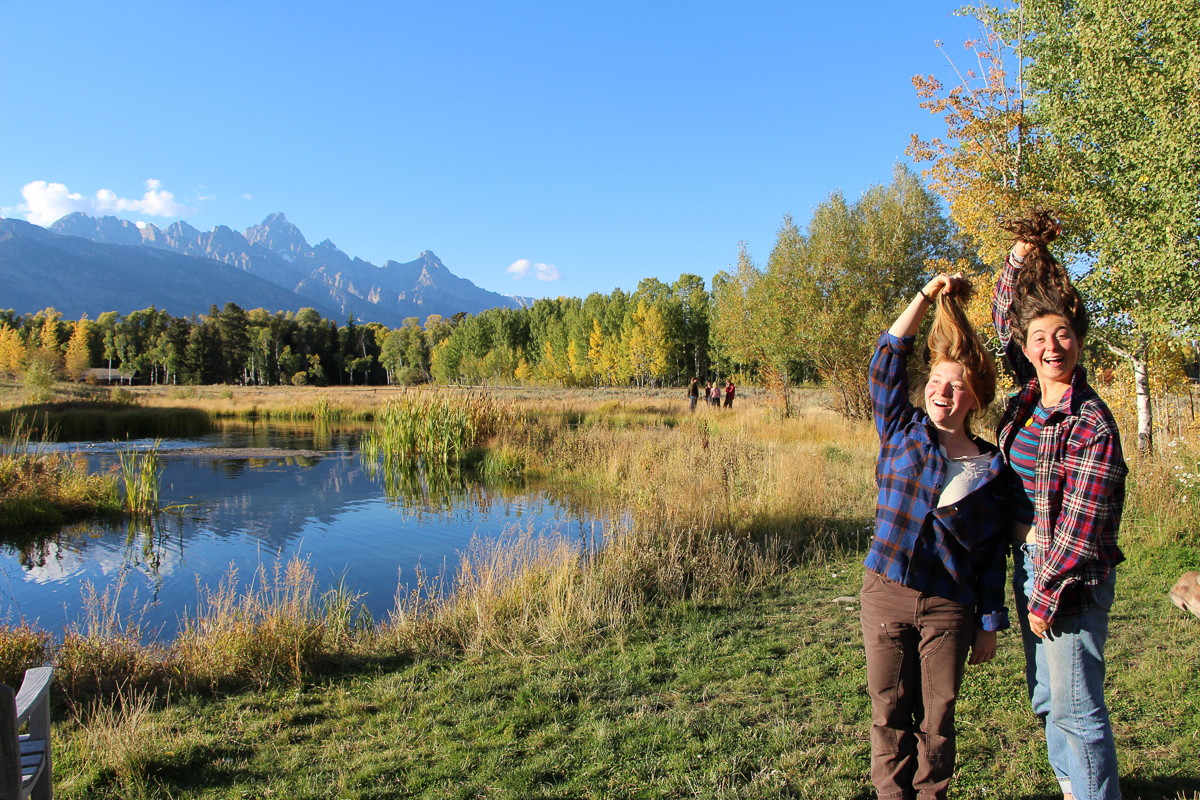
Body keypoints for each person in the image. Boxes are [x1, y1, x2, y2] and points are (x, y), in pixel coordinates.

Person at [862, 272, 1010, 800]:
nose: (940, 391)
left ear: (975, 396)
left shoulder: (994, 468)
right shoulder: (901, 429)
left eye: (955, 384)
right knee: (889, 711)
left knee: (939, 715)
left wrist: (989, 623)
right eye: (935, 381)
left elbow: (993, 557)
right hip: (886, 592)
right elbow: (886, 358)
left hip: (951, 604)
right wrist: (926, 296)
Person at [995, 212, 1126, 800]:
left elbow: (1081, 528)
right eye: (1040, 338)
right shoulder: (1029, 394)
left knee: (1076, 705)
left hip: (1066, 572)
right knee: (1047, 696)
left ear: (1079, 338)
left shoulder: (1089, 420)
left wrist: (1045, 594)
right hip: (1029, 561)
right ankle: (1074, 789)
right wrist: (1022, 255)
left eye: (1063, 335)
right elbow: (1006, 319)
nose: (1052, 347)